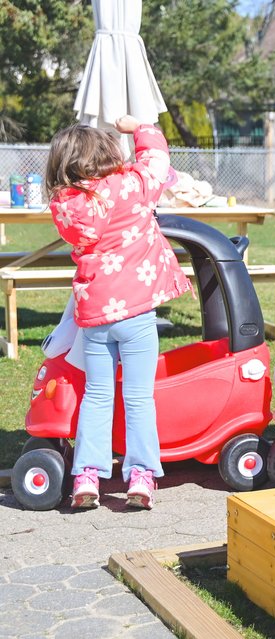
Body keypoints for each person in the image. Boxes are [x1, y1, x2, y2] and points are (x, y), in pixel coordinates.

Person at [46, 116, 193, 510]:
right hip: (137, 315)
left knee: (97, 395)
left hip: (95, 316)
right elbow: (157, 158)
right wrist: (138, 125)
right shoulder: (130, 187)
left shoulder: (67, 206)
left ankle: (86, 476)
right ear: (107, 155)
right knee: (138, 397)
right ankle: (142, 476)